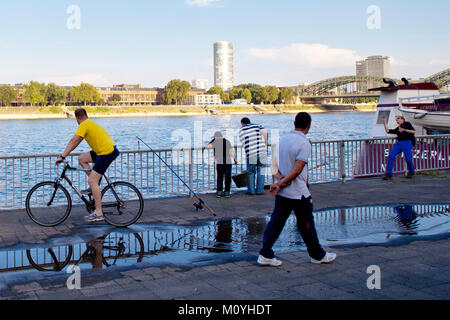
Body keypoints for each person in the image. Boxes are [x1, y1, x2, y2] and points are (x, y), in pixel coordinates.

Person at [258, 112, 336, 266]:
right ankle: (317, 255)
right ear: (309, 125)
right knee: (306, 224)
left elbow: (273, 167)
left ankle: (265, 253)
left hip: (283, 192)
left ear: (294, 123)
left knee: (276, 222)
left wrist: (280, 180)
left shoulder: (282, 140)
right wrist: (281, 182)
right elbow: (297, 170)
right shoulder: (304, 143)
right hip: (299, 192)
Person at [55, 108, 120, 223]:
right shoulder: (89, 123)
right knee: (81, 159)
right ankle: (94, 185)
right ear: (86, 115)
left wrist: (62, 156)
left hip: (106, 152)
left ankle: (99, 213)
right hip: (103, 151)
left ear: (77, 118)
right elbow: (77, 141)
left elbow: (73, 141)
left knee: (92, 180)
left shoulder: (84, 125)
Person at [239, 118, 268, 195]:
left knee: (251, 172)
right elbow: (265, 132)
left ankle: (251, 191)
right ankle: (260, 191)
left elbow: (243, 142)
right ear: (249, 122)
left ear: (242, 123)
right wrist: (265, 142)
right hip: (262, 151)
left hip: (251, 153)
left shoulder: (242, 130)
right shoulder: (257, 126)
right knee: (261, 171)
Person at [382, 115, 416, 180]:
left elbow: (413, 131)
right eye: (396, 119)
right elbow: (388, 131)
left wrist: (404, 130)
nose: (396, 120)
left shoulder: (407, 124)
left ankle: (411, 172)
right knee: (391, 155)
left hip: (407, 142)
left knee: (408, 159)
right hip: (399, 143)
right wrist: (384, 121)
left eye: (398, 118)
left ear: (402, 119)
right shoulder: (398, 128)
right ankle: (388, 174)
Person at [207, 132, 238, 198]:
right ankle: (227, 193)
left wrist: (213, 141)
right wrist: (235, 159)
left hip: (220, 160)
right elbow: (231, 151)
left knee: (220, 176)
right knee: (228, 177)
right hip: (228, 160)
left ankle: (219, 193)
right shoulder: (227, 141)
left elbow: (208, 146)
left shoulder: (215, 141)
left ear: (215, 136)